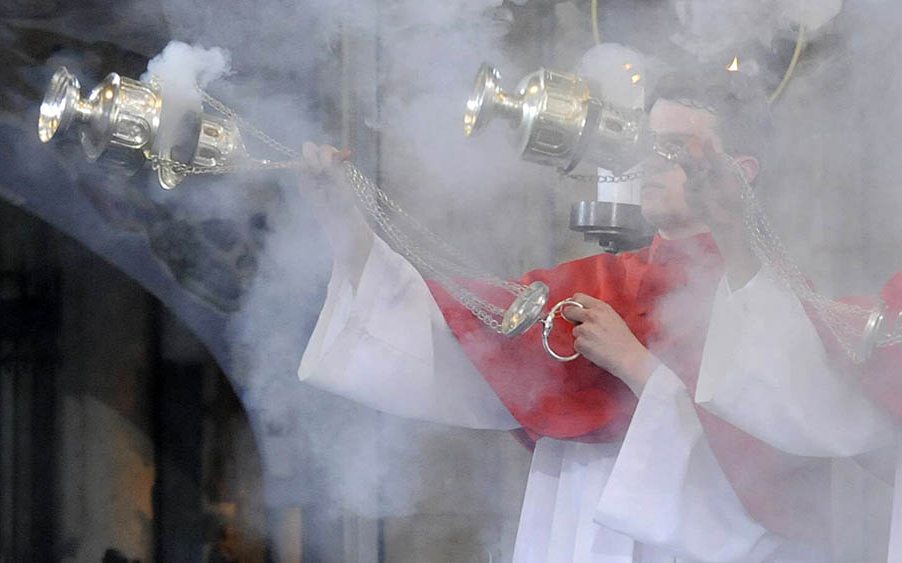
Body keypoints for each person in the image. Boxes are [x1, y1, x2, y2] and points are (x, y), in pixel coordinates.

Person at [296, 69, 890, 562]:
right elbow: (442, 335)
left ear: (741, 170)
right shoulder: (593, 283)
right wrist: (344, 227)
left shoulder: (771, 299)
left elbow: (781, 455)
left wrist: (638, 369)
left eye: (676, 149)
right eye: (648, 143)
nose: (651, 162)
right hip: (582, 531)